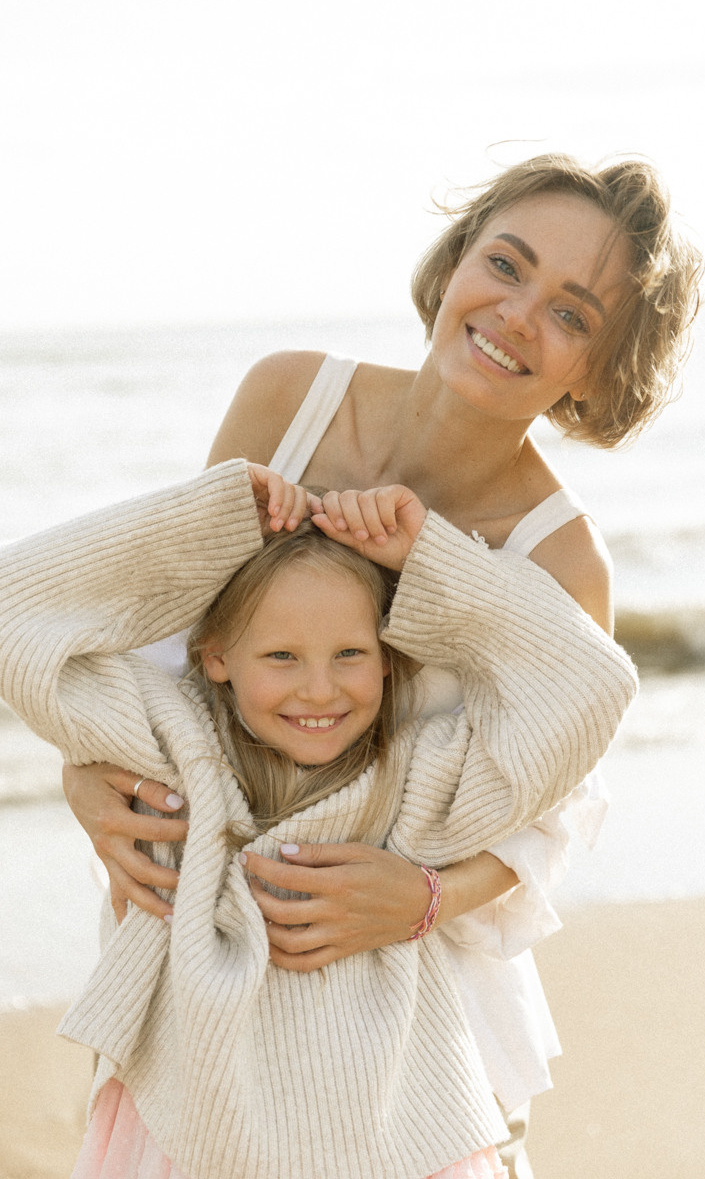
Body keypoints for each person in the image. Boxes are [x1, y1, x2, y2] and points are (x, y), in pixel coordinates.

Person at [61, 152, 703, 1176]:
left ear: (598, 370)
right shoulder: (286, 399)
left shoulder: (560, 558)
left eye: (573, 315)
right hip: (214, 951)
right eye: (505, 264)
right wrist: (87, 774)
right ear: (454, 262)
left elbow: (556, 808)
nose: (515, 315)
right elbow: (174, 639)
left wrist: (426, 896)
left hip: (400, 1001)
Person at [0, 461, 637, 1179]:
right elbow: (13, 612)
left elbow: (595, 685)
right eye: (280, 656)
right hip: (191, 1126)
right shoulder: (174, 745)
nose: (319, 689)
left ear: (390, 661)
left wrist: (433, 560)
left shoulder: (418, 781)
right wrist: (209, 522)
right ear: (214, 657)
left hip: (389, 1135)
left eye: (351, 655)